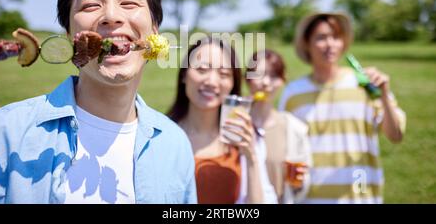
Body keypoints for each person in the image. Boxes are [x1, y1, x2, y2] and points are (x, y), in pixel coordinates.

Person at [0, 0, 197, 204]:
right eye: (90, 5)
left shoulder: (175, 144)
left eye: (129, 3)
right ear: (68, 38)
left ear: (154, 31)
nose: (111, 16)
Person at [278, 12, 406, 204]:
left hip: (360, 194)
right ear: (306, 43)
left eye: (336, 37)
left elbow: (396, 135)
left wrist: (384, 95)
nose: (330, 44)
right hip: (310, 198)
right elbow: (284, 148)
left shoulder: (366, 84)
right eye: (321, 38)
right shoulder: (293, 93)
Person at [167, 36, 277, 204]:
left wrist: (252, 157)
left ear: (233, 84)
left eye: (224, 74)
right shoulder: (160, 136)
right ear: (184, 75)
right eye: (202, 69)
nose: (212, 81)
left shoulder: (245, 137)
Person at [245, 49, 312, 204]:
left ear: (283, 81)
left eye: (274, 76)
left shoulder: (294, 129)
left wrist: (299, 181)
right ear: (247, 79)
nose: (266, 83)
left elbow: (302, 186)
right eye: (259, 75)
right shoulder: (234, 122)